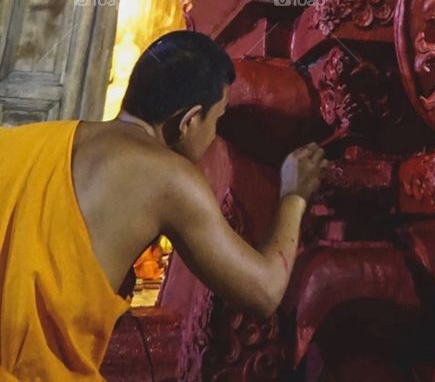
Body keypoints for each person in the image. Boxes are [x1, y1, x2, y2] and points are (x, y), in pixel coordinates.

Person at [0, 30, 325, 381]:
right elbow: (263, 292)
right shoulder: (170, 177)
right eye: (217, 120)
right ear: (188, 122)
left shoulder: (21, 140)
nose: (214, 135)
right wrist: (294, 194)